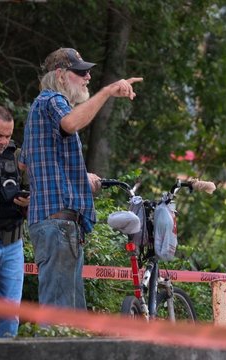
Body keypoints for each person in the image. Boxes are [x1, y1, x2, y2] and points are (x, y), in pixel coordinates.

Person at [19, 48, 142, 309]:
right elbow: (71, 124)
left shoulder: (40, 108)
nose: (87, 77)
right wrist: (107, 92)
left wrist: (79, 177)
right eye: (81, 72)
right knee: (60, 317)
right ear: (61, 75)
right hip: (58, 224)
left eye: (88, 72)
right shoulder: (53, 100)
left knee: (70, 318)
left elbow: (28, 164)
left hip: (54, 223)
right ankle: (49, 352)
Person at [0, 106, 30, 336]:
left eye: (7, 135)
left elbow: (35, 187)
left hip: (13, 242)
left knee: (10, 315)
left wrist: (29, 201)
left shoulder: (18, 156)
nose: (3, 141)